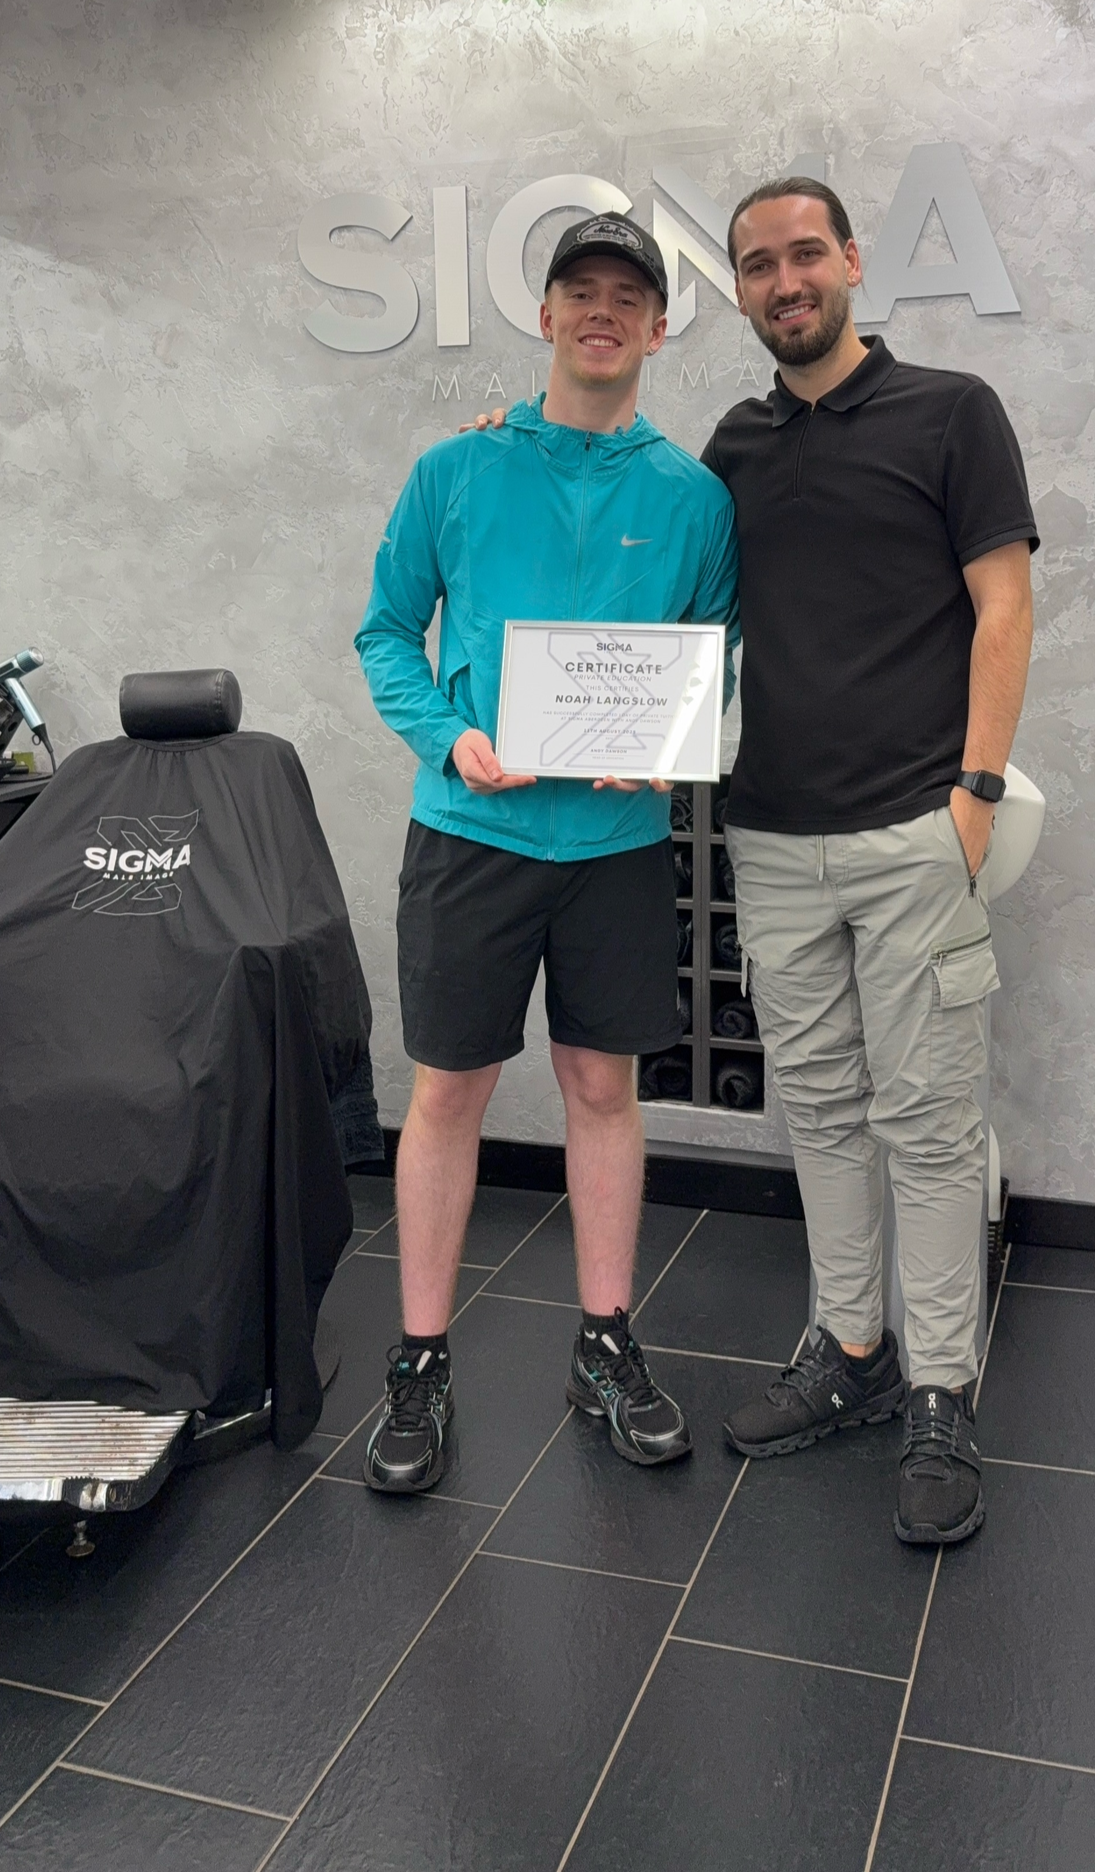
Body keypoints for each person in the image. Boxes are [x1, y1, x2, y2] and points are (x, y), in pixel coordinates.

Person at [355, 212, 739, 1493]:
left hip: (617, 846)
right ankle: (419, 1361)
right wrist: (449, 737)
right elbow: (385, 633)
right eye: (582, 290)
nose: (603, 313)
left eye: (628, 296)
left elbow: (718, 652)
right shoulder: (455, 471)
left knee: (602, 1089)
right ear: (547, 314)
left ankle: (605, 1345)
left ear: (659, 329)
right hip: (470, 834)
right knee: (447, 1094)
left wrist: (673, 737)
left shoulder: (692, 498)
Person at [704, 177, 1037, 1547]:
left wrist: (974, 795)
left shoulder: (952, 412)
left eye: (805, 254)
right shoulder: (731, 447)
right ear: (739, 289)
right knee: (824, 1112)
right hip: (772, 837)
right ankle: (853, 1349)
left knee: (932, 1120)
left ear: (849, 260)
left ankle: (942, 1388)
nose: (785, 281)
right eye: (757, 265)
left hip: (914, 831)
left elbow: (1004, 604)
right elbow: (672, 614)